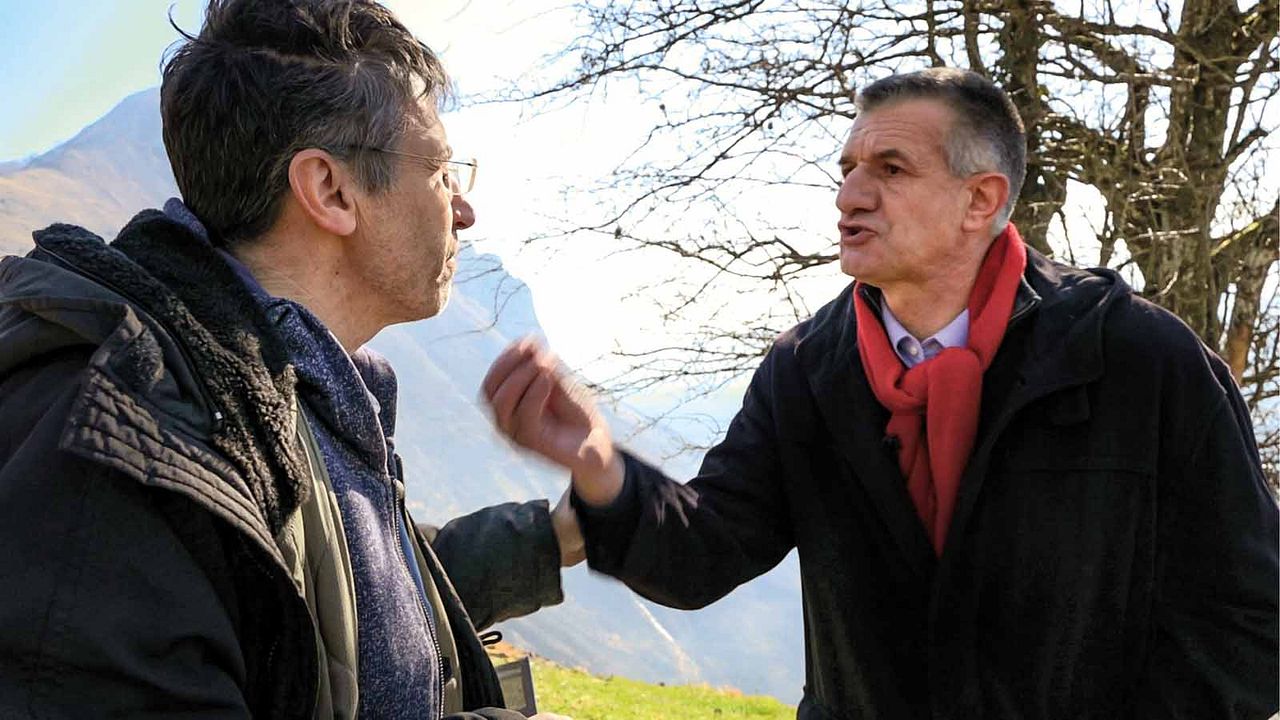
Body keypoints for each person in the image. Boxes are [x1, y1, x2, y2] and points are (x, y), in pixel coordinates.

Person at [483, 67, 1279, 718]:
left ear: (981, 200)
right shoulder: (807, 370)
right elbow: (707, 551)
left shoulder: (1138, 357)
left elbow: (1249, 619)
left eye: (890, 170)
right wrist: (599, 467)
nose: (849, 196)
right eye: (849, 169)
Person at [0, 1, 576, 718]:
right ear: (330, 191)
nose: (463, 210)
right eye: (439, 171)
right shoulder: (127, 451)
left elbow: (325, 599)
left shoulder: (284, 392)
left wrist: (554, 537)